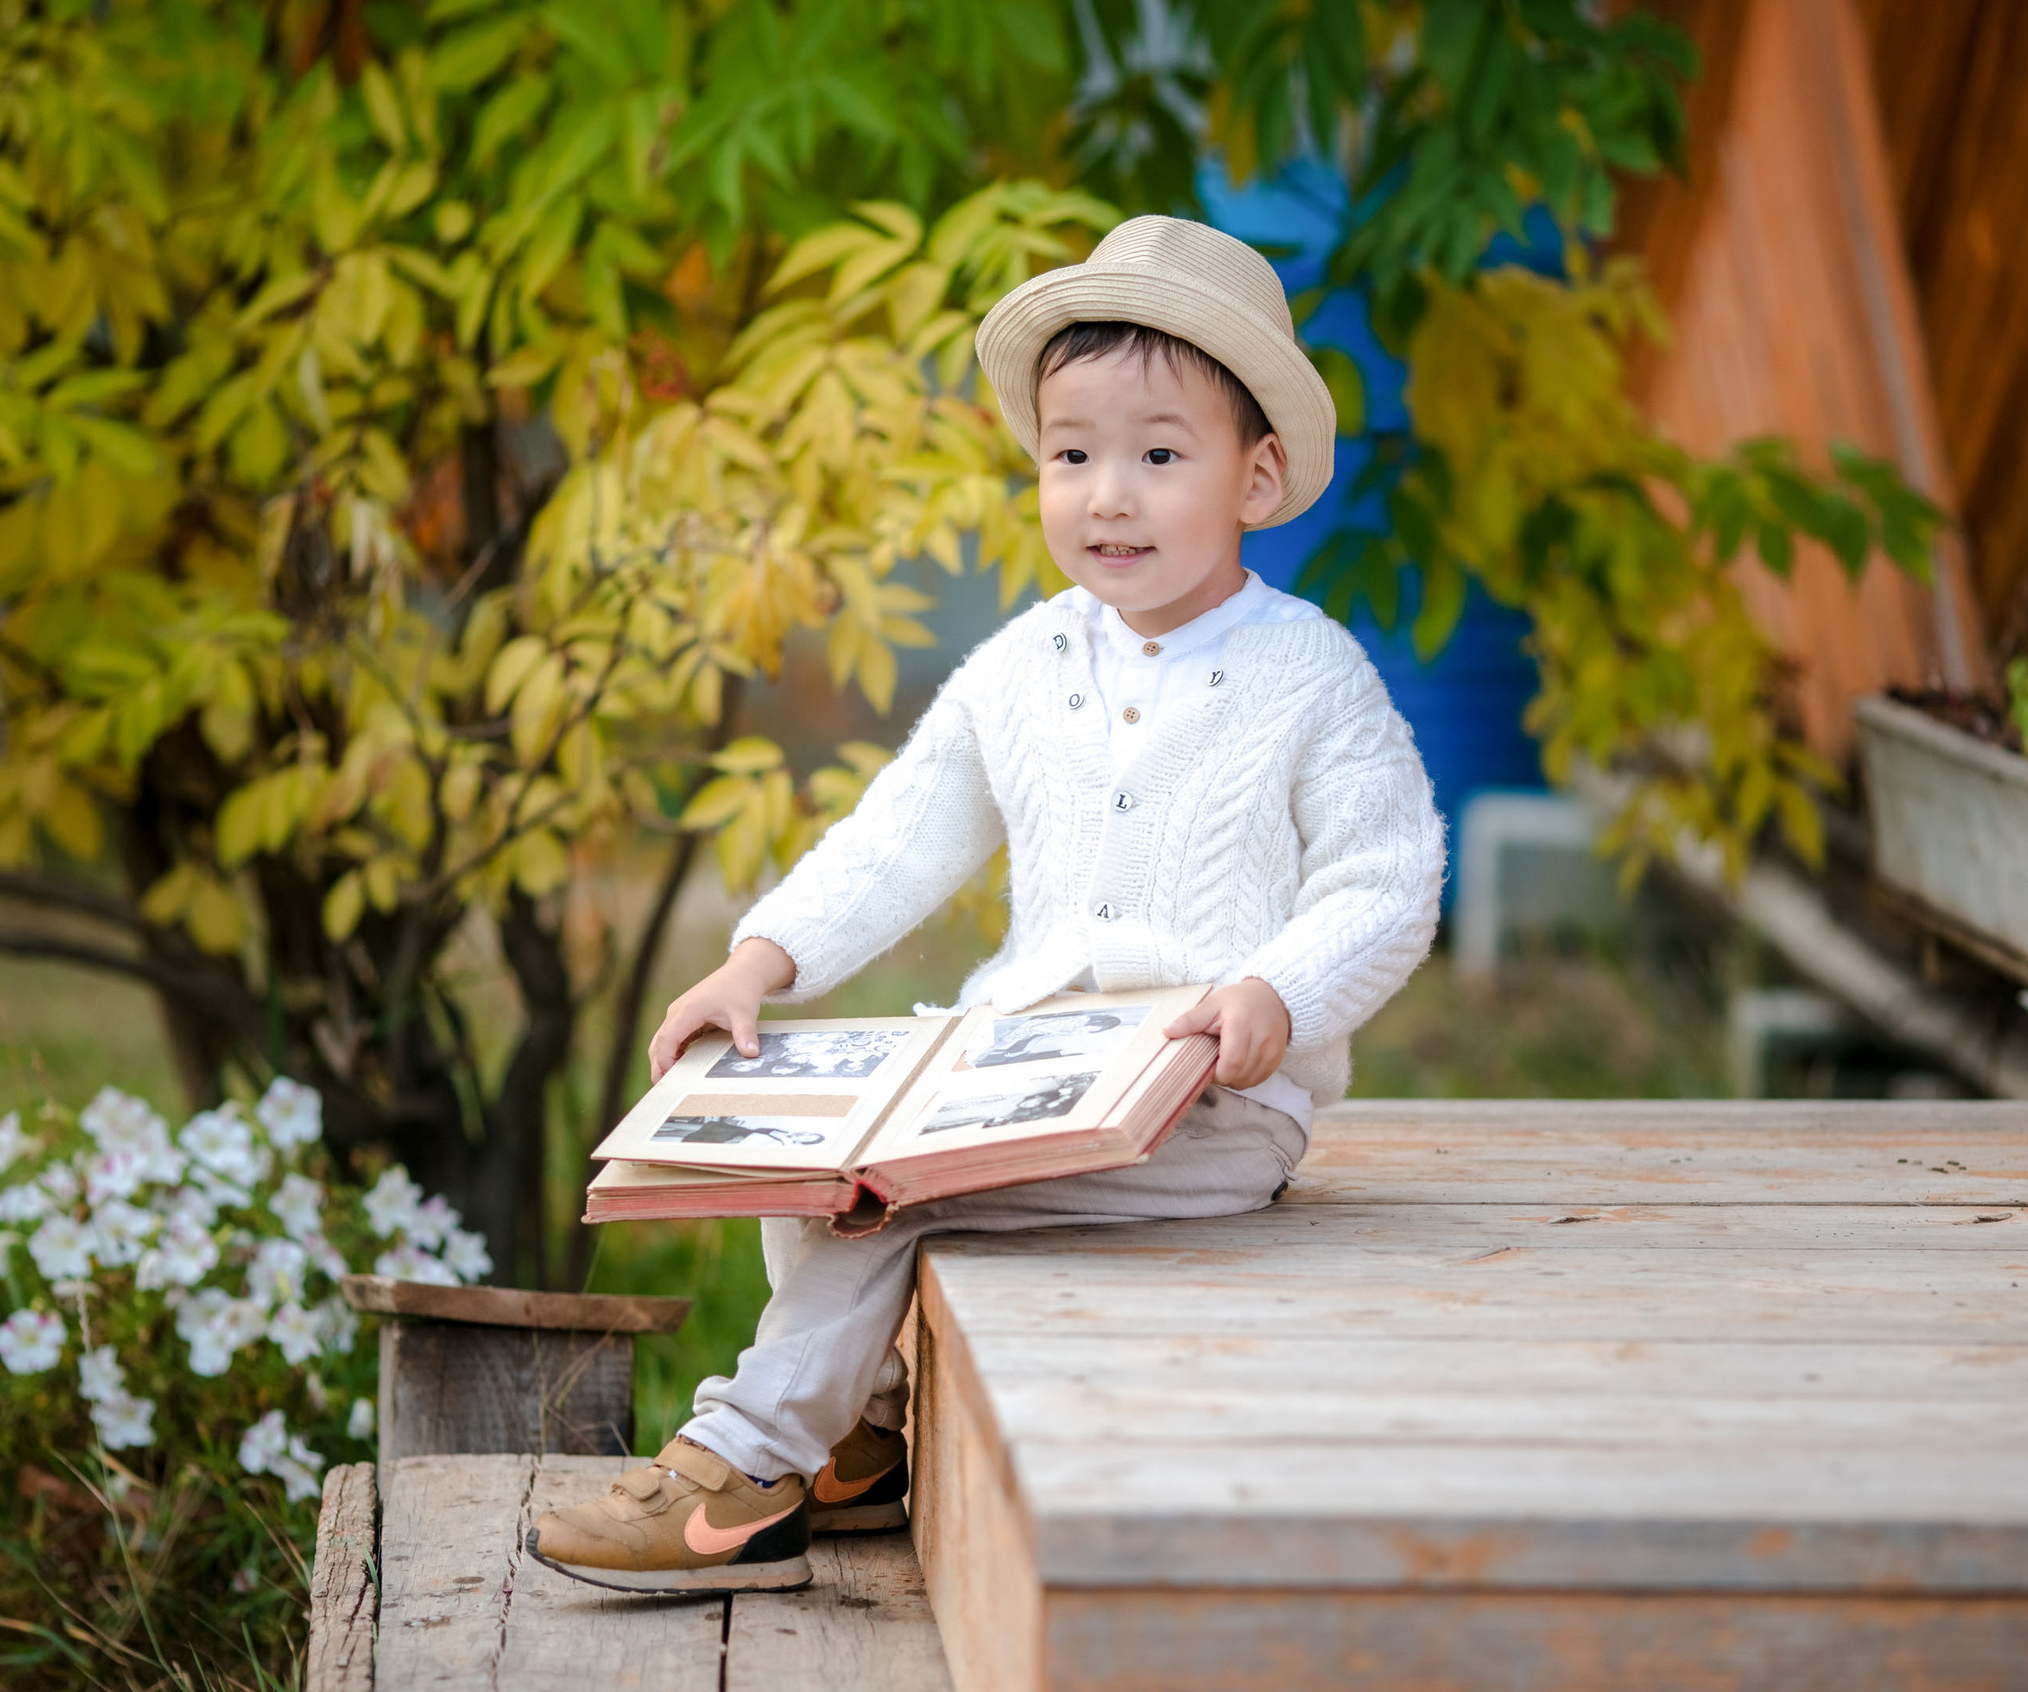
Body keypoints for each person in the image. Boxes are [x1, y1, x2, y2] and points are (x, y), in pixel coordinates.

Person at [525, 215, 1445, 1594]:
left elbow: (1388, 873)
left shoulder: (1308, 676)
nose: (1107, 496)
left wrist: (1275, 996)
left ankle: (741, 1480)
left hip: (1204, 1102)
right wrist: (761, 960)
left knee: (877, 1201)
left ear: (1257, 477)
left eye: (1157, 455)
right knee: (815, 1164)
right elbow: (900, 834)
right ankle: (865, 1442)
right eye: (1071, 456)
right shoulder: (1025, 664)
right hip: (1021, 1070)